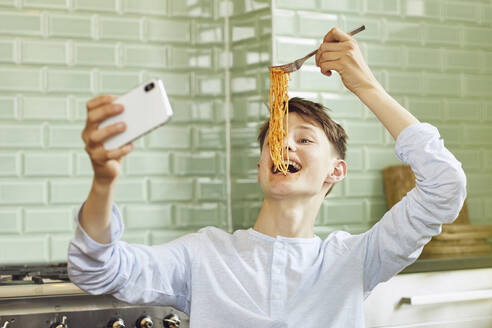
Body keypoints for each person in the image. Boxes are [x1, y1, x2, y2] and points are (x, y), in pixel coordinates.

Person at [67, 28, 466, 327]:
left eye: (304, 139)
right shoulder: (204, 256)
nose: (284, 146)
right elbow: (97, 269)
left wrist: (365, 84)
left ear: (336, 171)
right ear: (260, 167)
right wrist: (103, 182)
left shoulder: (355, 259)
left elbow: (445, 187)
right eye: (275, 139)